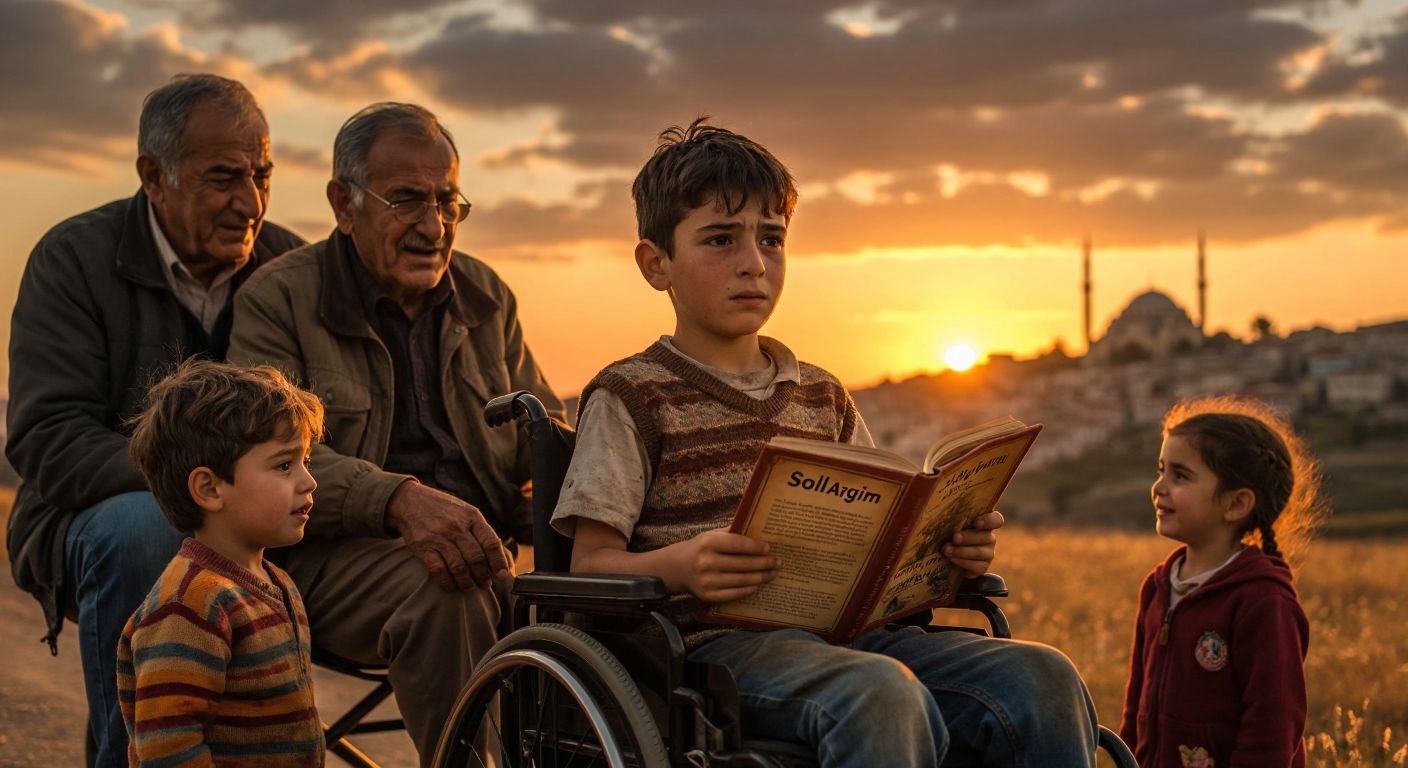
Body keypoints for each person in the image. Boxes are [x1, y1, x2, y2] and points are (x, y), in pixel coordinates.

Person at [551, 118, 1099, 768]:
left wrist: (951, 552)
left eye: (772, 240)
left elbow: (881, 538)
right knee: (879, 696)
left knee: (1044, 678)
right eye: (721, 240)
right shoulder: (632, 395)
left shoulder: (822, 395)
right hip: (714, 654)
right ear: (656, 264)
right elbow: (587, 567)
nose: (754, 262)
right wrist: (679, 564)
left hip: (854, 638)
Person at [226, 101, 563, 763]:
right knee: (450, 591)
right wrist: (398, 500)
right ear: (343, 205)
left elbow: (543, 427)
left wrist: (579, 487)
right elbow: (265, 455)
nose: (433, 225)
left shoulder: (486, 294)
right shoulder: (279, 298)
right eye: (407, 200)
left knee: (616, 587)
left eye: (448, 201)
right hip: (328, 559)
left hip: (479, 552)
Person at [5, 74, 304, 766]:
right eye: (224, 179)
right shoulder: (73, 259)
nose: (250, 202)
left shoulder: (289, 263)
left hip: (258, 513)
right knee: (152, 529)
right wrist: (199, 491)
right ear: (153, 175)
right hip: (89, 516)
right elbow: (47, 438)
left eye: (262, 175)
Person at [118, 360, 324, 766]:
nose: (308, 481)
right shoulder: (189, 606)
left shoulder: (275, 582)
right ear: (210, 488)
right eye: (284, 465)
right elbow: (168, 748)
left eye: (306, 462)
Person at [1120, 397, 1328, 768]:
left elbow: (1273, 728)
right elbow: (1136, 707)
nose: (1159, 487)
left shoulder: (1263, 601)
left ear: (1235, 504)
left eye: (1180, 475)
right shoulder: (1157, 587)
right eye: (1161, 470)